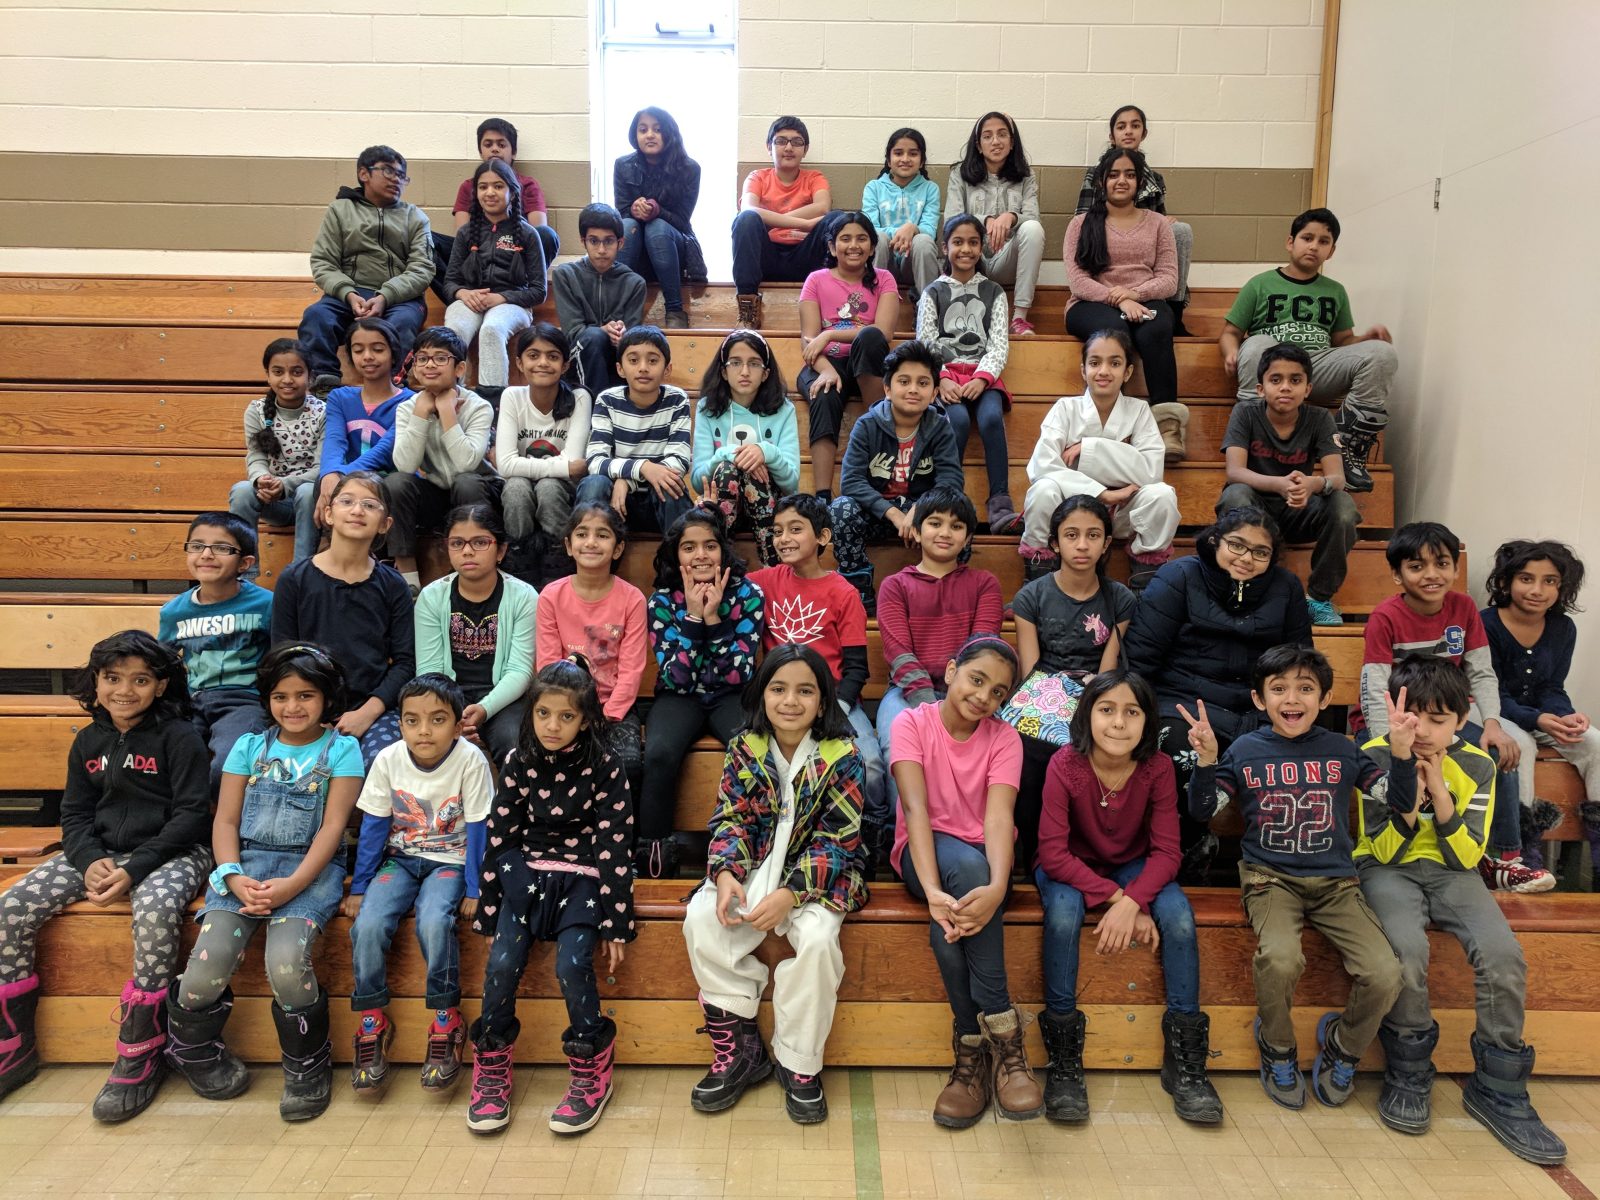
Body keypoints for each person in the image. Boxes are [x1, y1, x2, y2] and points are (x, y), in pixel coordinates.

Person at [1355, 657, 1566, 1165]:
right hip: (1390, 869)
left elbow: (1467, 855)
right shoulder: (1372, 757)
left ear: (1462, 718)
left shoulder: (1478, 764)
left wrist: (1443, 796)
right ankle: (1408, 1068)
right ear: (1394, 712)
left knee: (1504, 954)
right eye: (1413, 718)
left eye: (1438, 720)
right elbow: (1381, 851)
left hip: (1454, 872)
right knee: (1405, 950)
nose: (1423, 731)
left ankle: (1499, 1084)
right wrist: (1409, 784)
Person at [1184, 644, 1410, 1111]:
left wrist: (1402, 756)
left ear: (1325, 699)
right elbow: (1204, 811)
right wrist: (1207, 762)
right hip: (1271, 880)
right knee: (1282, 959)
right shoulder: (1245, 750)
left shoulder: (1343, 749)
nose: (1293, 698)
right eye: (1279, 688)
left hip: (1337, 885)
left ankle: (1344, 1047)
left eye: (1306, 688)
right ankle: (1278, 1047)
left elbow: (1399, 801)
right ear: (1259, 699)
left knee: (1386, 972)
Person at [0, 631, 210, 1122]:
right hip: (99, 853)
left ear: (160, 687)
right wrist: (88, 857)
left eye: (140, 680)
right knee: (10, 908)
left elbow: (192, 816)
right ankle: (14, 1043)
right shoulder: (88, 741)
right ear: (95, 682)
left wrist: (134, 866)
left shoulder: (179, 738)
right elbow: (73, 814)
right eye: (112, 678)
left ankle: (141, 1049)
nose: (124, 690)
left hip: (175, 851)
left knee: (155, 909)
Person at [165, 644, 363, 1123]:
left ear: (327, 699)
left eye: (305, 695)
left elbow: (334, 827)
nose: (292, 706)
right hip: (244, 867)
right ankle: (196, 1052)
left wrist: (293, 884)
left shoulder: (343, 749)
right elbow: (226, 820)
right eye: (280, 696)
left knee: (287, 964)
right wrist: (231, 876)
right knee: (200, 974)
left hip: (309, 872)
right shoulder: (249, 746)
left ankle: (307, 1064)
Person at [682, 644, 868, 1124]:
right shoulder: (746, 745)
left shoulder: (843, 754)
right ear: (761, 694)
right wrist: (725, 874)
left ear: (822, 701)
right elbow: (731, 820)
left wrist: (790, 894)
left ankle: (798, 1061)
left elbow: (837, 840)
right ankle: (741, 1049)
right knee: (703, 916)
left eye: (805, 691)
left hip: (818, 876)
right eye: (779, 688)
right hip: (755, 865)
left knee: (820, 941)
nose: (791, 700)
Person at [1034, 670, 1221, 1126]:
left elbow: (1167, 852)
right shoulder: (1065, 764)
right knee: (1061, 915)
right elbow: (1053, 854)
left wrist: (1134, 899)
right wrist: (1122, 900)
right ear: (1087, 717)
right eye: (1106, 710)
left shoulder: (1156, 767)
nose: (1118, 723)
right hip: (1071, 867)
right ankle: (1063, 1061)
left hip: (1134, 866)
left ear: (1146, 721)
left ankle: (1186, 1061)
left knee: (1177, 915)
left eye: (1131, 712)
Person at [468, 657, 634, 1135]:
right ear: (530, 713)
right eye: (543, 714)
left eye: (566, 716)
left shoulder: (606, 766)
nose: (553, 726)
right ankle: (493, 1065)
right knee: (501, 965)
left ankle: (590, 1065)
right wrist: (491, 909)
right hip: (525, 874)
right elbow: (500, 837)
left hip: (583, 876)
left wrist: (616, 921)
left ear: (585, 719)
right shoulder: (518, 762)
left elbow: (614, 844)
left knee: (571, 965)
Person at [892, 636, 1041, 1126]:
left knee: (963, 896)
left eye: (998, 692)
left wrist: (999, 887)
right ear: (952, 670)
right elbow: (916, 812)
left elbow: (999, 818)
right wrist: (933, 891)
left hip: (982, 861)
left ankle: (970, 1051)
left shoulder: (1004, 738)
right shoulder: (911, 723)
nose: (984, 697)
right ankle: (1006, 1034)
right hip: (923, 854)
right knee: (966, 874)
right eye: (977, 679)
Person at [1124, 508, 1313, 882]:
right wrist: (1133, 716)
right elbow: (1141, 660)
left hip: (1255, 709)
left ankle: (1276, 870)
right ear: (1216, 542)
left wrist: (1289, 712)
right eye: (1236, 545)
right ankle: (1186, 851)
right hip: (1181, 703)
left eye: (1260, 552)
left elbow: (1299, 663)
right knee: (1178, 749)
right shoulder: (1179, 577)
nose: (1246, 558)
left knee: (1296, 760)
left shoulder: (1286, 588)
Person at [1359, 522, 1549, 891]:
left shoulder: (1463, 608)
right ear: (1397, 575)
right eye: (1416, 566)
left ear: (1455, 568)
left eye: (1441, 563)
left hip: (1441, 718)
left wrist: (1493, 724)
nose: (1431, 574)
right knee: (1373, 766)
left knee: (1501, 750)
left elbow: (1481, 673)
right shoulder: (1385, 617)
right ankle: (1386, 851)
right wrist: (1393, 744)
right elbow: (1373, 690)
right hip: (1393, 720)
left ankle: (1504, 858)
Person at [343, 673, 493, 1098]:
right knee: (368, 924)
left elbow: (480, 828)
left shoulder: (470, 760)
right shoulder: (389, 759)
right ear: (401, 723)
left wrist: (474, 888)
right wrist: (361, 885)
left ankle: (446, 1018)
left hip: (452, 862)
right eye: (412, 720)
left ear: (457, 724)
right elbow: (374, 827)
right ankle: (372, 1019)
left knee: (432, 921)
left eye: (437, 719)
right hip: (401, 860)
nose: (424, 730)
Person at [1219, 207, 1398, 492]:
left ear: (1332, 251)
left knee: (1383, 353)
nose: (1314, 246)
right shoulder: (1260, 284)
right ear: (1291, 242)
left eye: (1323, 241)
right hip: (1275, 367)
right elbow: (1230, 332)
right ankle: (1253, 431)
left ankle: (1349, 444)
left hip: (1316, 368)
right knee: (1255, 343)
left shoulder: (1335, 290)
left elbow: (1342, 341)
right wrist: (1231, 350)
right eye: (1307, 238)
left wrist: (1366, 338)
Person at [750, 495, 888, 860]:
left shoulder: (843, 592)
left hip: (833, 700)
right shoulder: (763, 582)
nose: (783, 538)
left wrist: (834, 710)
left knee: (871, 764)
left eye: (796, 529)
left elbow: (858, 668)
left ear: (823, 536)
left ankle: (870, 841)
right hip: (782, 700)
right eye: (777, 531)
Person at [1007, 495, 1136, 871]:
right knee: (1031, 748)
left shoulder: (1120, 599)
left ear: (1107, 543)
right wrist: (1059, 702)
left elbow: (1109, 670)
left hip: (1097, 693)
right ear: (1054, 543)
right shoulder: (1031, 596)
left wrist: (1091, 698)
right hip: (1042, 693)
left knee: (1102, 737)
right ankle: (1030, 851)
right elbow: (1030, 671)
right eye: (1072, 535)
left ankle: (1090, 851)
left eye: (1093, 535)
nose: (1082, 545)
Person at [638, 506, 765, 878]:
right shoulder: (662, 600)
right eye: (689, 547)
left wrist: (713, 619)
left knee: (752, 746)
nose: (700, 556)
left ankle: (751, 846)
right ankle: (655, 854)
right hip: (680, 695)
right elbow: (677, 675)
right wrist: (693, 617)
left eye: (709, 546)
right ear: (675, 555)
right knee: (659, 753)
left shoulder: (748, 594)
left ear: (723, 551)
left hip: (732, 695)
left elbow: (738, 673)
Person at [272, 470, 415, 766]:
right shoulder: (294, 579)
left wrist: (368, 712)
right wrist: (310, 712)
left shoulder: (393, 585)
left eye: (370, 505)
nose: (357, 510)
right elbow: (283, 657)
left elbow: (405, 663)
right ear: (328, 513)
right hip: (304, 707)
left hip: (372, 709)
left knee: (380, 762)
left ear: (385, 524)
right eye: (347, 501)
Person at [1019, 327, 1178, 589]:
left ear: (1127, 372)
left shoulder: (1138, 411)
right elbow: (1042, 466)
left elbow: (1150, 471)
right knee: (1042, 490)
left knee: (1162, 495)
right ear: (1083, 370)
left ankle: (1144, 587)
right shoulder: (1065, 409)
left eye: (1114, 363)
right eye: (1094, 363)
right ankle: (1037, 583)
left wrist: (1091, 448)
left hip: (1122, 511)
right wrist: (1101, 493)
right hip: (1071, 512)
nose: (1103, 371)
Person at [875, 487, 1003, 811]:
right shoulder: (895, 586)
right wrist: (931, 710)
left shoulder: (984, 584)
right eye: (934, 523)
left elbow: (981, 654)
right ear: (916, 531)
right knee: (897, 745)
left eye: (956, 526)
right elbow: (898, 653)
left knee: (999, 743)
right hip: (906, 691)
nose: (945, 533)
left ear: (967, 537)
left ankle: (971, 832)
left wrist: (956, 702)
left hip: (970, 690)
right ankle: (899, 837)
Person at [1218, 342, 1360, 627]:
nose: (1285, 387)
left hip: (1299, 510)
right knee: (1235, 495)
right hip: (1255, 510)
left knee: (1343, 506)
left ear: (1308, 389)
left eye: (1295, 380)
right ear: (1260, 389)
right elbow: (1235, 471)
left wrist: (1311, 484)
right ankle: (1248, 590)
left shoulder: (1319, 418)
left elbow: (1337, 479)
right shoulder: (1245, 413)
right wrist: (1279, 484)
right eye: (1276, 380)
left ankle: (1318, 599)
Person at [1482, 540, 1600, 881]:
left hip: (1539, 715)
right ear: (1505, 582)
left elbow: (1552, 687)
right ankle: (1520, 852)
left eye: (1550, 580)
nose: (1538, 589)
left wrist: (1564, 716)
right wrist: (1535, 719)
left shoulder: (1563, 628)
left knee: (1594, 743)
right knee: (1522, 745)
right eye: (1526, 578)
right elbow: (1491, 690)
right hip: (1493, 713)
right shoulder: (1486, 624)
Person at [828, 340, 963, 614]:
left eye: (923, 383)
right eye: (904, 381)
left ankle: (946, 588)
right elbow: (851, 481)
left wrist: (919, 509)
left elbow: (950, 480)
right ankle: (858, 592)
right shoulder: (867, 424)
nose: (913, 389)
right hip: (878, 514)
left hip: (920, 514)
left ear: (935, 391)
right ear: (888, 389)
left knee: (960, 511)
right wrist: (892, 513)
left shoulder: (939, 427)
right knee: (841, 508)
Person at [1063, 146, 1181, 446]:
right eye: (1114, 174)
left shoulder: (1157, 223)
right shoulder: (1080, 224)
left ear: (1140, 182)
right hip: (1090, 303)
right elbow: (1078, 281)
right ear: (1102, 180)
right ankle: (1106, 424)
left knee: (1157, 329)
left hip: (1146, 299)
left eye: (1130, 175)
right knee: (1114, 332)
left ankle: (1167, 427)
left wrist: (1134, 293)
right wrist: (1120, 299)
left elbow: (1169, 279)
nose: (1121, 181)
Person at [535, 501, 647, 799]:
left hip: (614, 709)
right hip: (562, 706)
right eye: (582, 534)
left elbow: (632, 669)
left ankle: (622, 840)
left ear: (618, 548)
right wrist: (572, 714)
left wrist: (604, 717)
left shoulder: (632, 599)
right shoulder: (551, 596)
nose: (591, 542)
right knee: (547, 761)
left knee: (627, 764)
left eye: (602, 534)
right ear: (569, 546)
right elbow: (548, 668)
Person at [918, 214, 1021, 533]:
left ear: (983, 246)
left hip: (983, 376)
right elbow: (926, 340)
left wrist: (982, 378)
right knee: (958, 420)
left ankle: (1000, 502)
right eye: (958, 242)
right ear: (944, 247)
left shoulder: (994, 292)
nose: (966, 249)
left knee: (990, 418)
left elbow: (1000, 343)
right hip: (947, 377)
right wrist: (943, 377)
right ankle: (947, 497)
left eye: (973, 242)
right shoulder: (933, 292)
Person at [414, 504, 539, 766]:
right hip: (445, 697)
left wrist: (484, 709)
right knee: (424, 737)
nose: (468, 551)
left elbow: (520, 671)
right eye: (457, 543)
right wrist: (453, 711)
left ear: (501, 550)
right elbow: (429, 670)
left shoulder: (524, 596)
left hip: (503, 699)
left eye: (480, 542)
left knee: (514, 745)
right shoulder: (431, 597)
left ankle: (510, 808)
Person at [160, 512, 273, 792]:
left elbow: (282, 658)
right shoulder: (173, 611)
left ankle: (218, 828)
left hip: (244, 701)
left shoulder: (267, 603)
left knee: (227, 765)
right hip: (192, 702)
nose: (206, 554)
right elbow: (163, 663)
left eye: (222, 548)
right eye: (197, 546)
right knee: (167, 761)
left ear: (245, 563)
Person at [378, 326, 497, 593]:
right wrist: (421, 414)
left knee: (466, 481)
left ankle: (468, 575)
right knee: (395, 482)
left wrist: (447, 414)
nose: (430, 364)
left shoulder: (478, 406)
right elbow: (405, 466)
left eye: (441, 358)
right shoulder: (409, 407)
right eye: (423, 358)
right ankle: (407, 581)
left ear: (459, 368)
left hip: (478, 492)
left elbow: (466, 464)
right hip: (436, 494)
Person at [299, 145, 432, 382]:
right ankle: (325, 382)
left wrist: (385, 296)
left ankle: (394, 386)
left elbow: (422, 268)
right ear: (364, 174)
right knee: (317, 317)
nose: (397, 180)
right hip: (349, 294)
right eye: (389, 172)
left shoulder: (415, 217)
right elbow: (323, 262)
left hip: (400, 298)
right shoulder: (340, 211)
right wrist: (348, 294)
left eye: (402, 176)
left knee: (402, 323)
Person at [798, 210, 899, 498]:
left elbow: (883, 333)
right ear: (832, 246)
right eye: (845, 239)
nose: (853, 245)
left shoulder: (884, 279)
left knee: (868, 336)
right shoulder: (816, 280)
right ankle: (822, 497)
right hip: (824, 363)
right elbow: (808, 342)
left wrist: (829, 333)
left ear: (872, 247)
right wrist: (827, 370)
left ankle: (877, 424)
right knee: (824, 393)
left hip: (869, 365)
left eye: (861, 239)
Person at [1075, 106, 1195, 336]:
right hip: (1107, 251)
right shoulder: (1096, 173)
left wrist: (1164, 220)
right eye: (1121, 127)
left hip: (1144, 255)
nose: (1128, 131)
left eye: (1135, 125)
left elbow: (1158, 217)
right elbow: (1082, 219)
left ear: (1144, 133)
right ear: (1112, 136)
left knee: (1181, 230)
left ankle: (1175, 312)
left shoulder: (1155, 178)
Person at [692, 329, 800, 567]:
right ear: (723, 371)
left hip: (767, 504)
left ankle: (772, 566)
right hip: (721, 500)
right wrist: (731, 455)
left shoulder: (784, 410)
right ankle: (722, 562)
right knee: (728, 469)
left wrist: (765, 452)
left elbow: (791, 482)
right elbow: (697, 478)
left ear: (765, 374)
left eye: (754, 364)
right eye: (735, 363)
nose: (744, 371)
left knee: (753, 471)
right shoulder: (707, 409)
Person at [495, 322, 591, 586]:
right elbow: (504, 465)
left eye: (552, 356)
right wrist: (563, 466)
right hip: (521, 489)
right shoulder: (512, 396)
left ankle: (559, 559)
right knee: (514, 486)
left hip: (561, 493)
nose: (543, 363)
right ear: (519, 362)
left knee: (548, 487)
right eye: (533, 355)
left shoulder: (579, 398)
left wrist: (525, 465)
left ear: (565, 365)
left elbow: (574, 465)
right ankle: (519, 559)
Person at [442, 157, 548, 392]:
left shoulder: (528, 234)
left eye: (498, 186)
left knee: (492, 329)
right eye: (483, 187)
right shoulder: (466, 233)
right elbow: (449, 283)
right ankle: (448, 395)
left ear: (512, 192)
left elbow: (539, 291)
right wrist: (462, 293)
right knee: (454, 331)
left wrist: (501, 298)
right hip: (471, 301)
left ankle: (492, 403)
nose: (490, 193)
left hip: (512, 304)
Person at [577, 324, 692, 534]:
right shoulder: (607, 400)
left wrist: (627, 480)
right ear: (620, 368)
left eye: (653, 360)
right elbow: (595, 461)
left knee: (671, 485)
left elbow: (679, 460)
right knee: (594, 483)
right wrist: (644, 468)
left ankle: (676, 564)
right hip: (615, 501)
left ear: (667, 369)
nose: (643, 367)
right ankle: (592, 561)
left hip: (656, 498)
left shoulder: (677, 399)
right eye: (633, 360)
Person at [943, 112, 1045, 336]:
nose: (996, 141)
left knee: (1033, 228)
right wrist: (985, 220)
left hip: (1006, 260)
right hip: (973, 259)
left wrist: (1012, 217)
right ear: (979, 145)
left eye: (1002, 135)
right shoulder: (959, 174)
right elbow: (950, 220)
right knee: (958, 235)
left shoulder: (1026, 176)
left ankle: (1019, 318)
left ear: (1012, 142)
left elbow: (1033, 217)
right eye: (987, 136)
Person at [433, 117, 560, 293]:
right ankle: (460, 298)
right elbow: (462, 233)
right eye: (488, 144)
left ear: (513, 152)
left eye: (501, 144)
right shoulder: (467, 186)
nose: (494, 149)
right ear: (480, 151)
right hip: (478, 249)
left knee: (547, 235)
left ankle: (522, 293)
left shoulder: (528, 185)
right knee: (428, 242)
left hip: (515, 253)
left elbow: (538, 232)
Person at [732, 116, 834, 329]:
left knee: (836, 220)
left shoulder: (815, 177)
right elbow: (749, 209)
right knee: (746, 220)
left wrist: (772, 219)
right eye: (781, 141)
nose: (789, 147)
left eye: (796, 142)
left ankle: (834, 307)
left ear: (805, 150)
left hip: (804, 256)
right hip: (766, 257)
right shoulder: (757, 177)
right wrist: (804, 224)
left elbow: (823, 208)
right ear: (769, 147)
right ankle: (747, 309)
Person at [230, 338, 324, 562]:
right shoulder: (257, 411)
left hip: (311, 500)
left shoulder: (323, 412)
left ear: (310, 376)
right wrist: (261, 479)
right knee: (242, 490)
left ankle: (300, 571)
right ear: (268, 374)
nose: (287, 380)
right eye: (278, 372)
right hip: (273, 500)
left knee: (307, 491)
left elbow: (323, 467)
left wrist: (285, 485)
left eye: (296, 372)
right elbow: (256, 456)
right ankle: (244, 573)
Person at [614, 105, 706, 329]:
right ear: (635, 136)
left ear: (669, 133)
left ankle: (674, 309)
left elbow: (683, 221)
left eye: (657, 129)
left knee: (657, 227)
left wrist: (657, 210)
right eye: (643, 129)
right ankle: (618, 313)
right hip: (635, 249)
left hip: (673, 249)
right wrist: (633, 211)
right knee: (626, 225)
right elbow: (621, 212)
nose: (650, 135)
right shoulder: (623, 165)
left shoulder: (689, 169)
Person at [314, 318, 411, 519]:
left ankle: (399, 552)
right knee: (323, 479)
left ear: (393, 354)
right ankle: (325, 545)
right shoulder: (339, 397)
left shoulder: (411, 401)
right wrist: (330, 472)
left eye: (377, 349)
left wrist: (343, 478)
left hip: (388, 479)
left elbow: (385, 450)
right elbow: (334, 441)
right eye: (358, 350)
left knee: (393, 485)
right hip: (347, 479)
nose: (367, 357)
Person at [551, 203, 647, 394]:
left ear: (620, 243)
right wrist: (603, 331)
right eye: (594, 241)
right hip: (577, 359)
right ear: (583, 241)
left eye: (608, 241)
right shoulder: (565, 275)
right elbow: (573, 333)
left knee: (650, 339)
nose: (601, 249)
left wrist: (622, 335)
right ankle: (596, 411)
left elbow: (633, 336)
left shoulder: (635, 283)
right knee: (594, 338)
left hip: (617, 361)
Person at [862, 126, 940, 297]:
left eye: (913, 153)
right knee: (878, 238)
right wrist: (901, 232)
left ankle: (929, 305)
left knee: (924, 241)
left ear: (921, 161)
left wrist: (913, 228)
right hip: (884, 259)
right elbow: (870, 228)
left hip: (912, 265)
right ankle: (872, 299)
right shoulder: (873, 188)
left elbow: (930, 228)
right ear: (889, 160)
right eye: (898, 153)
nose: (905, 159)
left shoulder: (930, 189)